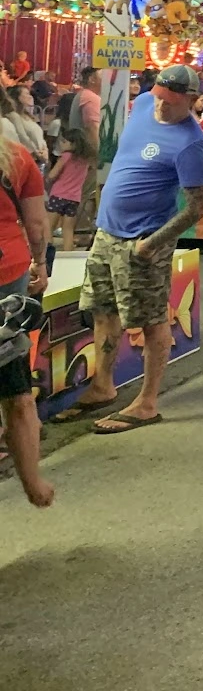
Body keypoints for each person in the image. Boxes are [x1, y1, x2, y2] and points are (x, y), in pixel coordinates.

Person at [60, 65, 203, 434]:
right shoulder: (143, 104)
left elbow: (195, 208)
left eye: (172, 102)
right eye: (160, 96)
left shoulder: (191, 144)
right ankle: (103, 385)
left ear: (192, 101)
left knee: (151, 320)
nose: (162, 106)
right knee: (103, 310)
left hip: (142, 241)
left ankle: (147, 402)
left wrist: (151, 244)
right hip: (107, 233)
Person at [0, 142, 49, 506]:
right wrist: (40, 263)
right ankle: (33, 485)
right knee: (15, 387)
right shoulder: (15, 156)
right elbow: (35, 222)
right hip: (7, 275)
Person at [45, 127, 96, 252]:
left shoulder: (66, 156)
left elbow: (52, 175)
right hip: (74, 198)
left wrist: (47, 173)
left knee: (48, 228)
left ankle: (47, 255)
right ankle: (68, 255)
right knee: (68, 230)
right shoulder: (85, 160)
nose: (61, 144)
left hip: (58, 195)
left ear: (73, 144)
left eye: (64, 142)